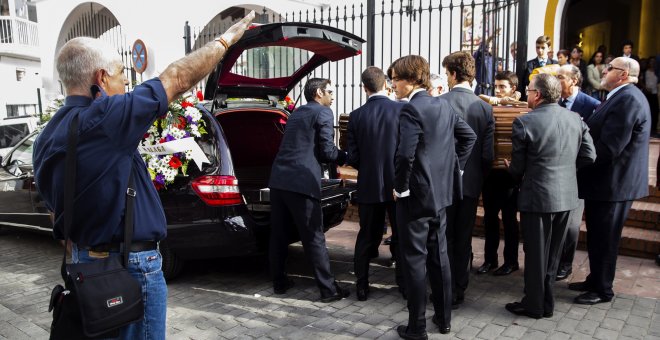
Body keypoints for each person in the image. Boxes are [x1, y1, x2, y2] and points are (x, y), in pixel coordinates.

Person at [32, 12, 255, 339]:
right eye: (122, 73)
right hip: (129, 265)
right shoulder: (107, 116)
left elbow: (56, 207)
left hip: (84, 265)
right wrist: (227, 39)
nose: (127, 82)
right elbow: (177, 78)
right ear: (101, 77)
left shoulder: (46, 137)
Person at [389, 55, 476, 339]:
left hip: (414, 198)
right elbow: (468, 138)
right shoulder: (443, 105)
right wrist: (455, 171)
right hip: (441, 196)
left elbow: (405, 155)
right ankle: (444, 319)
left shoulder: (411, 109)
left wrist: (400, 188)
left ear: (412, 79)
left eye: (396, 79)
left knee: (415, 260)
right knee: (439, 258)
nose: (393, 85)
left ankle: (417, 327)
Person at [505, 73, 596, 319]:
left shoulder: (525, 122)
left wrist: (509, 167)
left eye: (529, 89)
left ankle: (534, 305)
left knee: (535, 255)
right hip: (566, 195)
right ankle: (546, 302)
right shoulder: (575, 119)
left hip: (538, 197)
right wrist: (566, 169)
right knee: (553, 255)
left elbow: (517, 169)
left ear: (539, 94)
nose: (526, 93)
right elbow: (590, 155)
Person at [573, 57, 651, 304]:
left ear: (623, 74)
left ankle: (602, 289)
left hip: (614, 183)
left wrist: (577, 160)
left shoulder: (628, 99)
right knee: (597, 235)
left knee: (605, 238)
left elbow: (610, 147)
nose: (604, 71)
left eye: (610, 68)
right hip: (606, 182)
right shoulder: (620, 96)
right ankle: (595, 279)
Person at [268, 78, 350, 303]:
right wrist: (347, 157)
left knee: (278, 236)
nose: (332, 97)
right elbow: (327, 152)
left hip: (278, 180)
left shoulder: (296, 112)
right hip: (301, 182)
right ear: (319, 93)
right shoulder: (323, 112)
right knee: (314, 237)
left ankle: (280, 283)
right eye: (330, 92)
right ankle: (328, 291)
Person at [347, 66, 405, 301]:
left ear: (364, 88)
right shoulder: (401, 110)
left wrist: (369, 169)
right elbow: (406, 150)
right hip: (397, 186)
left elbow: (353, 157)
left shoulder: (356, 115)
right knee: (401, 236)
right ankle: (404, 285)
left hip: (369, 184)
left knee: (366, 236)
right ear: (386, 85)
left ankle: (361, 286)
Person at [441, 51, 494, 307]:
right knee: (463, 238)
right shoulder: (485, 108)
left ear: (452, 73)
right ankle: (460, 288)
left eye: (446, 73)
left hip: (442, 183)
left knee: (444, 237)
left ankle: (446, 288)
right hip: (471, 183)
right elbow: (488, 154)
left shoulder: (440, 103)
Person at [554, 64, 600, 281]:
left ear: (573, 80)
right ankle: (552, 262)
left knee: (571, 225)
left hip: (577, 174)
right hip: (556, 172)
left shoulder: (591, 105)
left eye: (560, 77)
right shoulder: (555, 103)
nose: (556, 81)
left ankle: (565, 264)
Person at [478, 70, 522, 276]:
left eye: (502, 86)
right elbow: (480, 97)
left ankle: (511, 261)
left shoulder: (522, 110)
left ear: (513, 89)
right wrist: (498, 99)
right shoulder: (490, 107)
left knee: (510, 220)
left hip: (510, 174)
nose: (497, 90)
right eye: (496, 86)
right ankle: (490, 260)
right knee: (489, 218)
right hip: (491, 173)